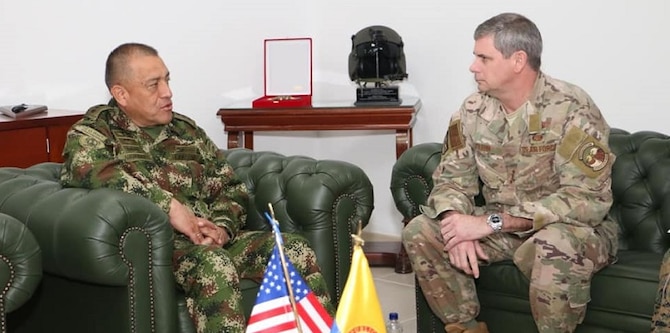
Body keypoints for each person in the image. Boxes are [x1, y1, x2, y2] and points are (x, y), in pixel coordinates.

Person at [59, 42, 334, 333]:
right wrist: (168, 207)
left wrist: (222, 228)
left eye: (167, 79)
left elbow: (230, 187)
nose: (167, 92)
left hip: (208, 242)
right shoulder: (93, 133)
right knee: (213, 265)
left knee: (292, 248)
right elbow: (93, 174)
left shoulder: (186, 131)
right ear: (121, 94)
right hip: (155, 251)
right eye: (153, 84)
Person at [402, 13, 619, 333]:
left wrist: (489, 223)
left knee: (552, 243)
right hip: (501, 230)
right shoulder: (471, 111)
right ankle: (465, 326)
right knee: (421, 230)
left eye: (483, 58)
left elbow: (587, 198)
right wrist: (454, 224)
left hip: (574, 231)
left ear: (518, 60)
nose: (473, 66)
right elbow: (451, 179)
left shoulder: (571, 107)